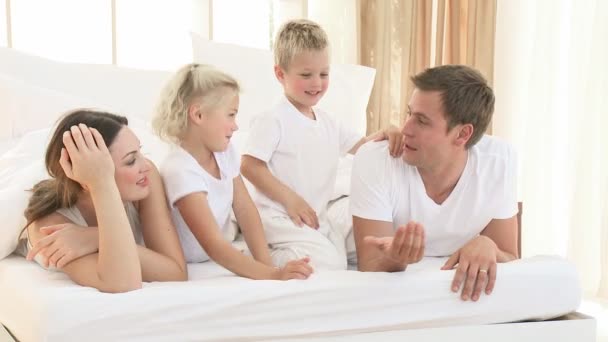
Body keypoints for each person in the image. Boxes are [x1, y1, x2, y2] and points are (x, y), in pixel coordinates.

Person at [240, 19, 403, 271]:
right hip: (278, 215)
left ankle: (295, 250)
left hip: (315, 216)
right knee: (330, 262)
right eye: (306, 75)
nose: (316, 83)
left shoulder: (329, 122)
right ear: (280, 74)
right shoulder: (273, 119)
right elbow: (249, 165)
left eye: (323, 74)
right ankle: (259, 255)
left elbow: (363, 148)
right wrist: (291, 200)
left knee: (350, 253)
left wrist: (386, 133)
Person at [350, 65, 519, 302]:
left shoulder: (499, 161)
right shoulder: (375, 159)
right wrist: (396, 258)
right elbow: (369, 264)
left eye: (421, 121)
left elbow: (511, 257)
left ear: (462, 135)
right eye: (409, 114)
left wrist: (487, 244)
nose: (405, 129)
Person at [152, 63, 312, 281]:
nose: (236, 126)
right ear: (198, 115)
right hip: (190, 258)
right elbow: (214, 246)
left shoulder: (224, 153)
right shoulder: (180, 169)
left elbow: (245, 209)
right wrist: (272, 274)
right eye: (230, 115)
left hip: (215, 248)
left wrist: (265, 264)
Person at [22, 110, 188, 293]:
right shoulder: (49, 225)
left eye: (140, 152)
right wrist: (101, 184)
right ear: (89, 177)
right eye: (131, 160)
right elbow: (123, 282)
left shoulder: (144, 181)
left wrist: (94, 237)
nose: (146, 166)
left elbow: (176, 272)